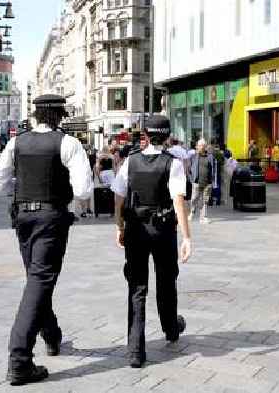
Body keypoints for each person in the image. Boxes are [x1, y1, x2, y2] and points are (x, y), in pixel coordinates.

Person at [0, 94, 93, 386]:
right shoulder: (68, 143)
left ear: (35, 115)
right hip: (51, 219)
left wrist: (21, 185)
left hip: (22, 219)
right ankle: (19, 358)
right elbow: (84, 190)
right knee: (40, 280)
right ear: (59, 116)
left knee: (37, 278)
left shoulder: (16, 142)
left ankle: (52, 334)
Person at [111, 114, 191, 369]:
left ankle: (136, 350)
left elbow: (119, 197)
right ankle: (170, 327)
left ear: (145, 135)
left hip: (135, 228)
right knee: (166, 281)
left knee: (136, 287)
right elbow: (178, 200)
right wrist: (187, 236)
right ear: (167, 136)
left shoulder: (130, 161)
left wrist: (119, 225)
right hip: (163, 229)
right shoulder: (173, 163)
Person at [189, 139, 218, 224]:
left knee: (205, 200)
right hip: (197, 182)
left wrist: (213, 181)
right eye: (200, 145)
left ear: (205, 147)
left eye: (203, 145)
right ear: (197, 146)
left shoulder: (210, 156)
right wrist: (191, 179)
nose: (202, 147)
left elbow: (213, 169)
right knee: (194, 199)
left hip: (207, 182)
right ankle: (192, 212)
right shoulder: (194, 156)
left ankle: (203, 217)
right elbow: (189, 168)